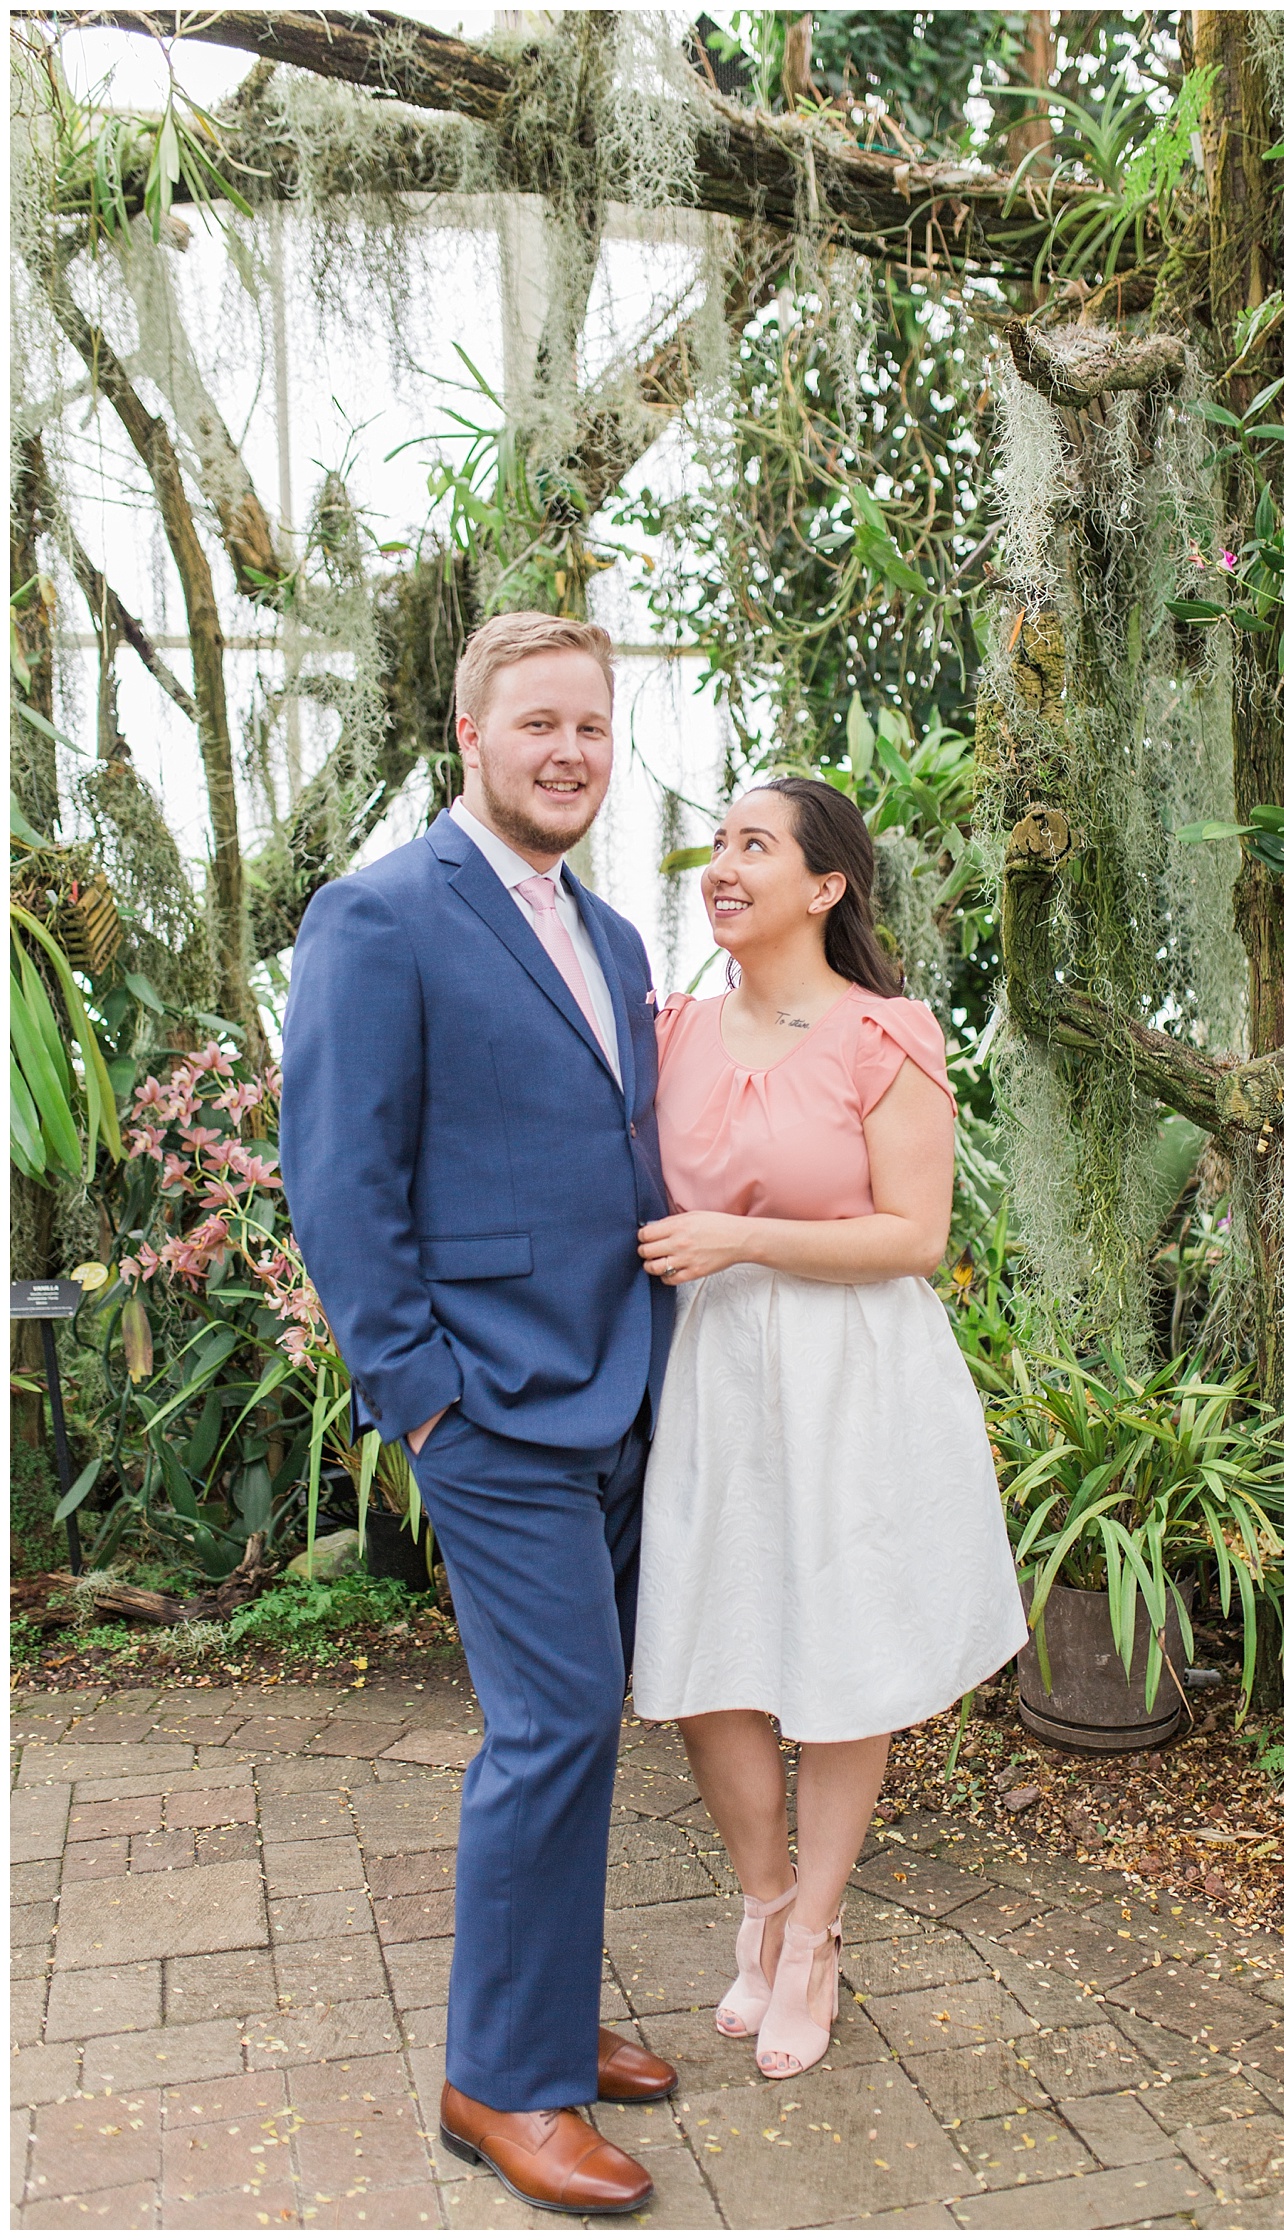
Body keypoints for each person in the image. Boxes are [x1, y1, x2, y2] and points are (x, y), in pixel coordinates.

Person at [279, 612, 679, 2218]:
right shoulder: (379, 916)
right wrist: (420, 1401)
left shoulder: (620, 936)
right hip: (489, 1406)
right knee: (554, 1723)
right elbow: (339, 1181)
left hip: (619, 1382)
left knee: (584, 1722)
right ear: (471, 738)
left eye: (591, 725)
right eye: (540, 725)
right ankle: (498, 2085)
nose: (570, 751)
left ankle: (545, 2017)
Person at [632, 775, 1028, 2079]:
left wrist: (739, 1236)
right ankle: (761, 1900)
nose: (724, 866)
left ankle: (814, 1938)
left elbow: (914, 1236)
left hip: (852, 1372)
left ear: (827, 884)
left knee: (842, 1653)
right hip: (720, 1376)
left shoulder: (885, 1033)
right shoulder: (670, 1027)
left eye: (757, 845)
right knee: (703, 1651)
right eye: (719, 845)